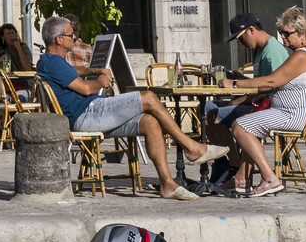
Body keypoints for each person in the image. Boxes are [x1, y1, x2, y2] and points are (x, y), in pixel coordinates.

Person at [36, 14, 210, 201]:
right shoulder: (53, 61)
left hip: (87, 115)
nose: (76, 38)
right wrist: (101, 82)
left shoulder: (50, 62)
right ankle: (191, 147)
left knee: (150, 122)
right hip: (87, 114)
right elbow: (86, 89)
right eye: (72, 36)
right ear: (59, 39)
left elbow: (72, 72)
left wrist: (93, 70)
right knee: (149, 97)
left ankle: (167, 184)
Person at [225, 9, 306, 198]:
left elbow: (271, 81)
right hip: (300, 114)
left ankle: (269, 178)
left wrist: (234, 84)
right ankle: (242, 179)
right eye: (281, 33)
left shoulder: (302, 55)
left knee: (240, 126)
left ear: (302, 33)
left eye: (287, 33)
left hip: (297, 115)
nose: (282, 37)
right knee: (250, 121)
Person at [203, 13, 292, 191]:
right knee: (205, 107)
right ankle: (227, 163)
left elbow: (268, 88)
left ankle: (233, 166)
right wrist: (242, 78)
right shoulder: (259, 50)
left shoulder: (272, 51)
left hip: (269, 106)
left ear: (251, 30)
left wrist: (234, 101)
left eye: (240, 38)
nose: (240, 43)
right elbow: (259, 83)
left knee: (213, 114)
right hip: (258, 101)